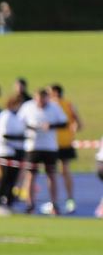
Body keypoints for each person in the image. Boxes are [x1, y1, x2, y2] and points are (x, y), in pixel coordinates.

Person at [21, 86, 68, 214]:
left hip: (49, 147)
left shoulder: (54, 107)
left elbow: (64, 123)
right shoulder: (28, 107)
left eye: (43, 99)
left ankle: (54, 204)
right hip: (32, 146)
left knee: (51, 175)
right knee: (30, 175)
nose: (40, 103)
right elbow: (20, 122)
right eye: (38, 100)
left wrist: (51, 126)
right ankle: (30, 203)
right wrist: (31, 127)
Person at [0, 89, 29, 214]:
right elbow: (4, 135)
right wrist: (21, 138)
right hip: (6, 151)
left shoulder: (17, 116)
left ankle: (9, 202)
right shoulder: (5, 115)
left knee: (13, 179)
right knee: (5, 178)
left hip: (16, 151)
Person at [52, 84, 82, 214]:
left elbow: (78, 124)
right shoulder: (52, 106)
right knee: (56, 173)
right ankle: (57, 201)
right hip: (53, 144)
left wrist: (73, 127)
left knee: (61, 172)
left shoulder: (65, 105)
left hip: (62, 143)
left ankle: (67, 200)